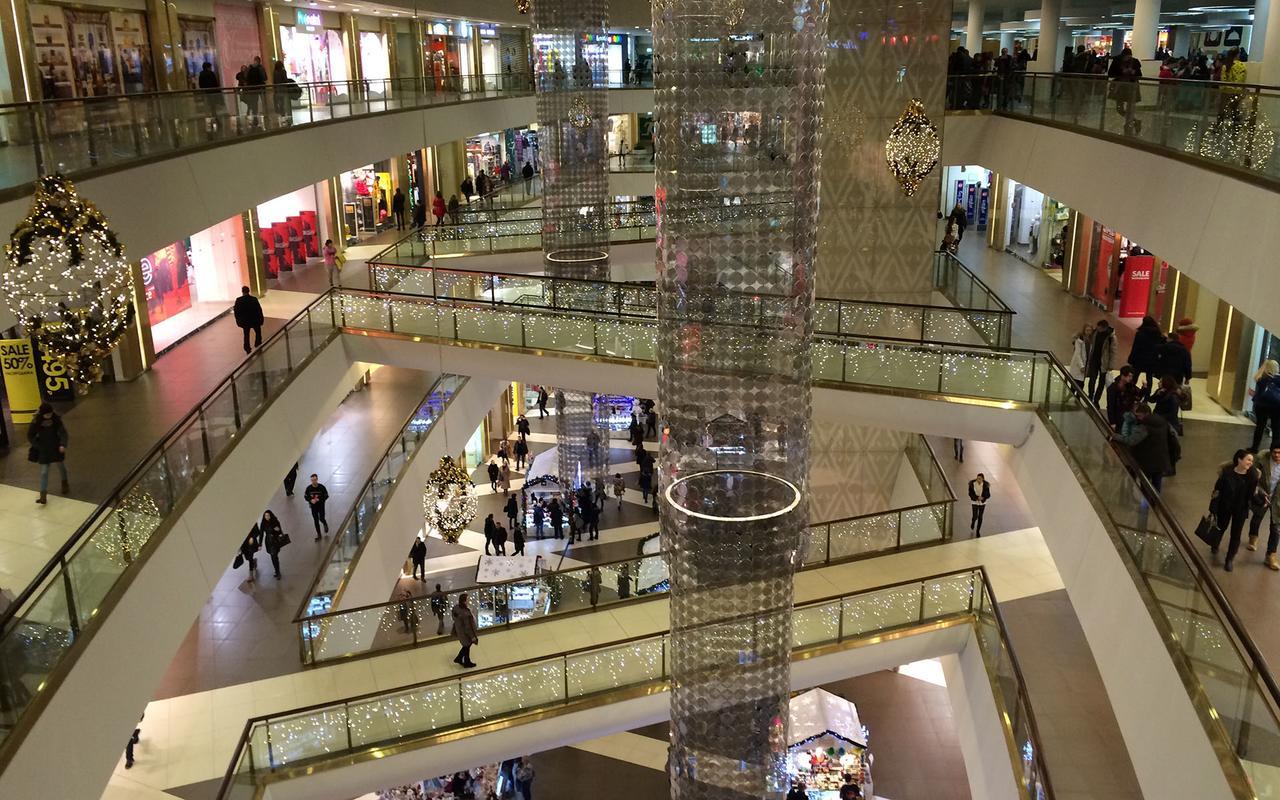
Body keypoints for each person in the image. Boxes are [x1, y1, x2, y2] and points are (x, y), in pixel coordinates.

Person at [1213, 449, 1261, 571]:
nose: (1251, 463)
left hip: (1241, 509)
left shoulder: (1252, 476)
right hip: (1225, 506)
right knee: (1221, 527)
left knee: (1236, 534)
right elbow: (1217, 489)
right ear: (1239, 459)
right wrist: (1213, 506)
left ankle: (1229, 559)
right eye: (1248, 459)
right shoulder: (1227, 472)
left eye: (1252, 461)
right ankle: (1215, 543)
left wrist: (1260, 502)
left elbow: (1251, 495)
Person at [1115, 403, 1173, 493]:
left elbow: (1132, 440)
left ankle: (1146, 504)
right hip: (1161, 459)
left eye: (1139, 415)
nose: (1138, 418)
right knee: (1157, 484)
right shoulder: (1161, 421)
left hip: (1147, 462)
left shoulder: (1145, 426)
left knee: (1145, 485)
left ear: (1146, 414)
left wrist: (1115, 436)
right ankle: (1155, 504)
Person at [27, 403, 69, 504]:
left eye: (50, 414)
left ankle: (64, 483)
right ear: (42, 414)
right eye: (47, 414)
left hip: (56, 447)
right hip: (44, 449)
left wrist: (63, 444)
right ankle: (43, 496)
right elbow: (30, 435)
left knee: (61, 467)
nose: (49, 416)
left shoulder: (56, 419)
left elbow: (63, 432)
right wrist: (37, 445)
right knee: (44, 472)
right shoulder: (37, 421)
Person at [1128, 315, 1165, 398]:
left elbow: (1135, 347)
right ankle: (1147, 396)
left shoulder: (1140, 334)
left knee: (1135, 376)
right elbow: (1160, 346)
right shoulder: (1157, 334)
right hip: (1151, 359)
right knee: (1149, 378)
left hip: (1139, 359)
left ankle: (1130, 393)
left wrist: (1131, 359)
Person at [1250, 360, 1280, 452]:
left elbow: (1256, 377)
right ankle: (1274, 450)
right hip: (1277, 406)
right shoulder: (1278, 379)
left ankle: (1255, 448)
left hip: (1262, 405)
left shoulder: (1262, 378)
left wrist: (1264, 366)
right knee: (1276, 429)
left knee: (1260, 427)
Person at [1258, 447, 1280, 570]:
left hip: (1278, 501)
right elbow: (1254, 478)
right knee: (1257, 518)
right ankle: (1253, 537)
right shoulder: (1262, 461)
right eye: (1275, 452)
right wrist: (1261, 492)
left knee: (1276, 529)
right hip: (1263, 495)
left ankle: (1271, 555)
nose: (1277, 455)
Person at [1085, 320, 1116, 403]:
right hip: (1094, 360)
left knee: (1101, 382)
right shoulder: (1095, 332)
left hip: (1104, 363)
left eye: (1099, 327)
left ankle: (1096, 400)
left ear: (1104, 328)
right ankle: (1090, 396)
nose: (1097, 328)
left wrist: (1111, 365)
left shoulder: (1111, 337)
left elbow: (1113, 351)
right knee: (1092, 380)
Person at [233, 286, 264, 353]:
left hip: (245, 321)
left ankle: (247, 348)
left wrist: (238, 320)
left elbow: (236, 311)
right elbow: (259, 310)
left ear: (242, 291)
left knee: (246, 335)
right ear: (248, 291)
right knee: (258, 332)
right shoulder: (254, 299)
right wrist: (261, 319)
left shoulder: (239, 300)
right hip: (255, 320)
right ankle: (258, 344)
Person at [1106, 366, 1138, 430]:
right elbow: (1110, 406)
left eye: (1132, 376)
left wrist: (1144, 389)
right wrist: (1112, 422)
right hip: (1118, 417)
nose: (1131, 378)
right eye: (1129, 376)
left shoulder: (1130, 385)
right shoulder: (1112, 388)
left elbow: (1136, 396)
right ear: (1123, 375)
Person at [451, 593, 479, 667]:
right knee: (467, 646)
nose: (469, 601)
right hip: (465, 634)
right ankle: (466, 662)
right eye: (467, 599)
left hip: (460, 631)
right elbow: (468, 627)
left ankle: (459, 658)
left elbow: (454, 617)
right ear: (464, 601)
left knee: (466, 646)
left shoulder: (456, 608)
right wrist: (473, 637)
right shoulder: (466, 613)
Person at [260, 510, 287, 578]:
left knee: (274, 556)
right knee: (273, 556)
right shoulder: (263, 523)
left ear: (270, 515)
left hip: (275, 541)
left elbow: (280, 531)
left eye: (268, 515)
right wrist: (260, 544)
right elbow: (261, 534)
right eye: (265, 516)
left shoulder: (275, 521)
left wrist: (278, 531)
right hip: (268, 542)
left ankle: (277, 572)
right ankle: (277, 571)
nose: (267, 517)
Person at [303, 473, 330, 539]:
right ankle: (319, 534)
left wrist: (319, 499)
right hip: (313, 507)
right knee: (316, 520)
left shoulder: (322, 487)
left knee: (321, 517)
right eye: (312, 480)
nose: (314, 482)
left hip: (321, 506)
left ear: (317, 479)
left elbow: (326, 496)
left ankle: (324, 523)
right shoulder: (308, 488)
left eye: (315, 480)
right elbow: (306, 496)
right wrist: (310, 500)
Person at [1068, 324, 1093, 389]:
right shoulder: (1079, 340)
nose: (1088, 332)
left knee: (1081, 383)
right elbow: (1077, 354)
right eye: (1087, 330)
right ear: (1084, 330)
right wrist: (1081, 366)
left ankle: (1077, 397)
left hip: (1086, 364)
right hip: (1078, 365)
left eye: (1090, 330)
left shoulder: (1091, 340)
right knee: (1076, 383)